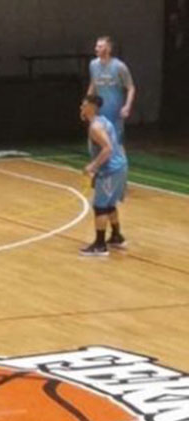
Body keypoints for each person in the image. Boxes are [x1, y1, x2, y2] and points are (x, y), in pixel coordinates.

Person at [79, 94, 128, 257]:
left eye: (84, 104)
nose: (81, 107)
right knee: (110, 204)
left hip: (110, 170)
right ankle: (116, 236)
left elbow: (107, 149)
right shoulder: (103, 121)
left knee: (100, 206)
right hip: (119, 166)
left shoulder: (95, 127)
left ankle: (100, 245)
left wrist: (92, 167)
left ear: (92, 107)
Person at [86, 36, 135, 144]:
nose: (96, 49)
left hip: (115, 111)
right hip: (99, 111)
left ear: (108, 49)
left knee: (114, 142)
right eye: (96, 46)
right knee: (98, 141)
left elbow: (130, 87)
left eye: (100, 46)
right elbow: (93, 84)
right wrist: (87, 102)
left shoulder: (119, 66)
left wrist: (127, 106)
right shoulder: (93, 65)